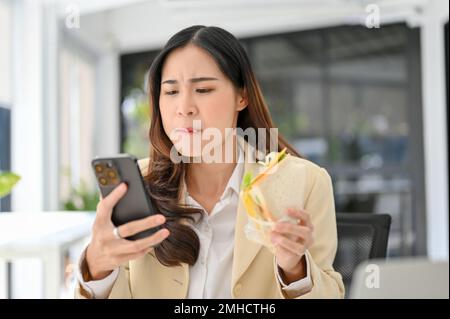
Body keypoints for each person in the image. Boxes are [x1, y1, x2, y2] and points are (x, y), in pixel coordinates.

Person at [75, 25, 344, 299]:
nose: (184, 107)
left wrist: (295, 269)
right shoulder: (137, 184)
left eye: (203, 89)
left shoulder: (305, 182)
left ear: (242, 97)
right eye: (170, 92)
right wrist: (97, 269)